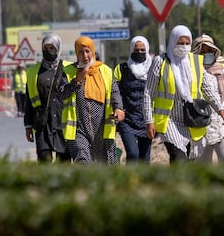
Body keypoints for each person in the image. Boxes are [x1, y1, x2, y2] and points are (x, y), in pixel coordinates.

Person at [143, 25, 224, 163]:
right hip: (169, 120)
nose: (184, 46)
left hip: (191, 118)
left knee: (189, 160)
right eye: (180, 43)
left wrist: (220, 108)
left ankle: (177, 184)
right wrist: (149, 120)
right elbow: (148, 93)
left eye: (187, 43)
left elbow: (206, 87)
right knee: (178, 157)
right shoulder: (161, 62)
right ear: (173, 42)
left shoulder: (195, 62)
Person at [59, 36, 125, 164]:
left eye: (87, 51)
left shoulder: (105, 71)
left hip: (102, 129)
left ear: (93, 51)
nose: (85, 56)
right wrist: (76, 80)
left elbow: (114, 92)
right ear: (76, 54)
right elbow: (61, 95)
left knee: (106, 167)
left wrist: (118, 108)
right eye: (81, 52)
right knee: (83, 163)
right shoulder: (68, 71)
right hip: (79, 130)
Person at [191, 34, 224, 165]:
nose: (206, 54)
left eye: (209, 50)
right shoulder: (192, 72)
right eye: (202, 51)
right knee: (203, 170)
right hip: (201, 126)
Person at [24, 33, 71, 163]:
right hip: (42, 124)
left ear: (58, 48)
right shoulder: (34, 72)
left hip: (64, 124)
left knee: (64, 163)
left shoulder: (69, 69)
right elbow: (29, 100)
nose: (48, 51)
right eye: (45, 48)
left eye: (52, 48)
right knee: (44, 160)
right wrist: (28, 125)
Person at [114, 35, 153, 164]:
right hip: (127, 119)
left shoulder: (153, 69)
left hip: (146, 119)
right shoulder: (122, 69)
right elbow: (115, 91)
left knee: (144, 158)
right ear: (131, 50)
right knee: (133, 154)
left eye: (142, 50)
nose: (139, 53)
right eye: (136, 50)